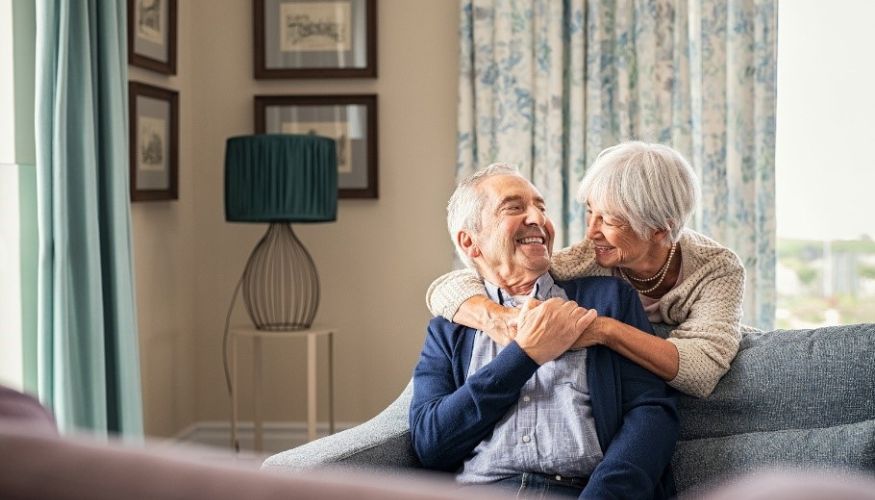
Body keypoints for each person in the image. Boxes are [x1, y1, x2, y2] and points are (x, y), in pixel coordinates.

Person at [410, 164, 678, 499]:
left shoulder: (607, 300)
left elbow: (653, 413)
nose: (537, 219)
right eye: (514, 207)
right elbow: (430, 444)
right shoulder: (449, 330)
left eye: (541, 207)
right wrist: (523, 356)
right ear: (470, 242)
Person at [426, 142, 745, 398]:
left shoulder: (716, 269)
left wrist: (604, 330)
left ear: (659, 230)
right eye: (590, 212)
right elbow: (450, 286)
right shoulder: (587, 258)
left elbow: (701, 372)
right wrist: (498, 318)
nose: (591, 232)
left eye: (608, 220)